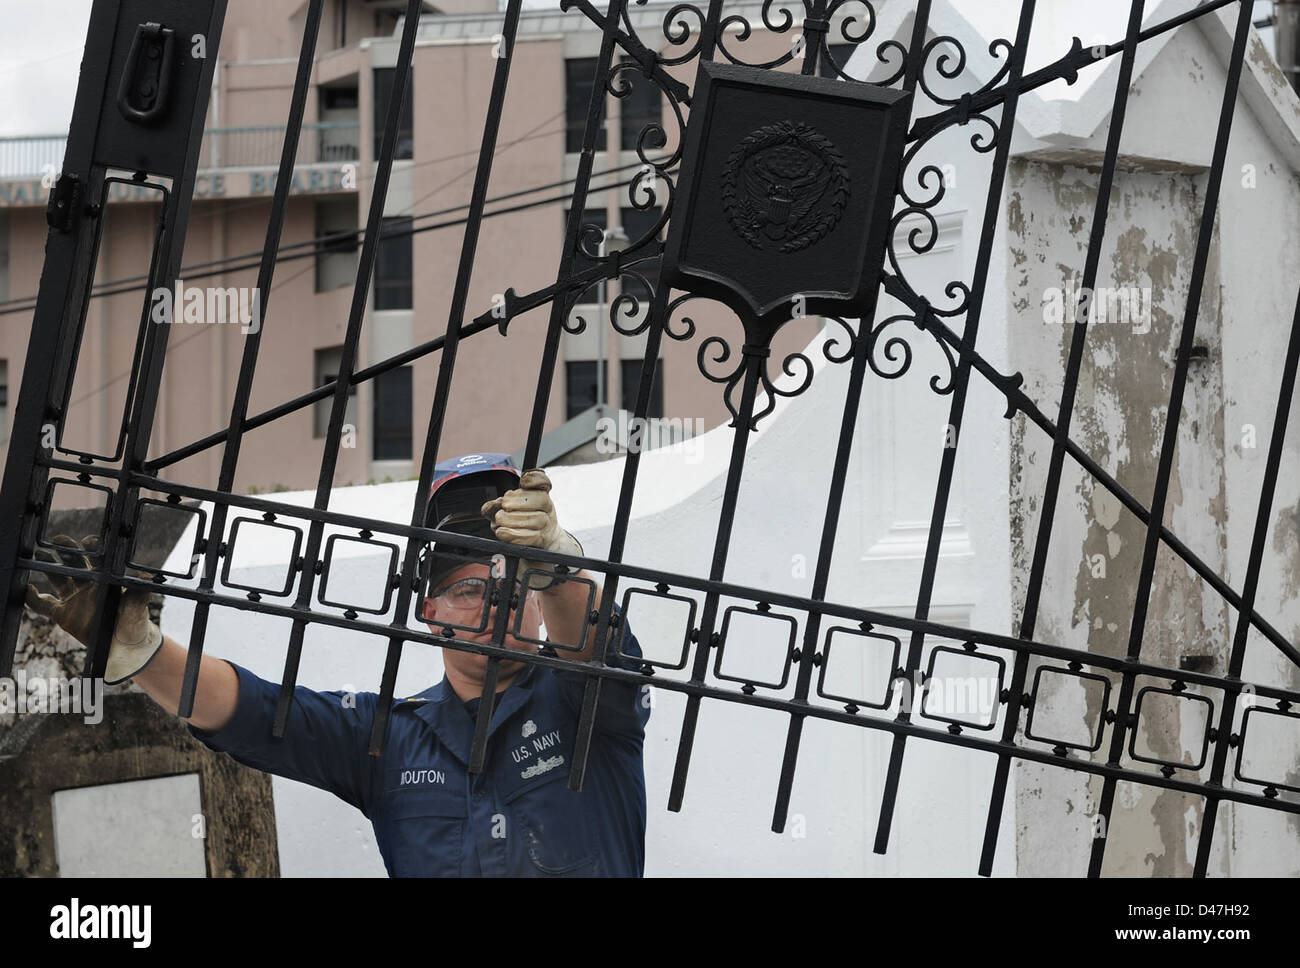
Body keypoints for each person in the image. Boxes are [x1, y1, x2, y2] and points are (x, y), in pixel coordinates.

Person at [24, 454, 650, 877]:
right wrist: (138, 650)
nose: (497, 603)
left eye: (517, 584)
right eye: (468, 590)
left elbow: (596, 655)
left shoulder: (583, 706)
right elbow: (256, 710)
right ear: (430, 611)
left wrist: (555, 564)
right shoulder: (389, 740)